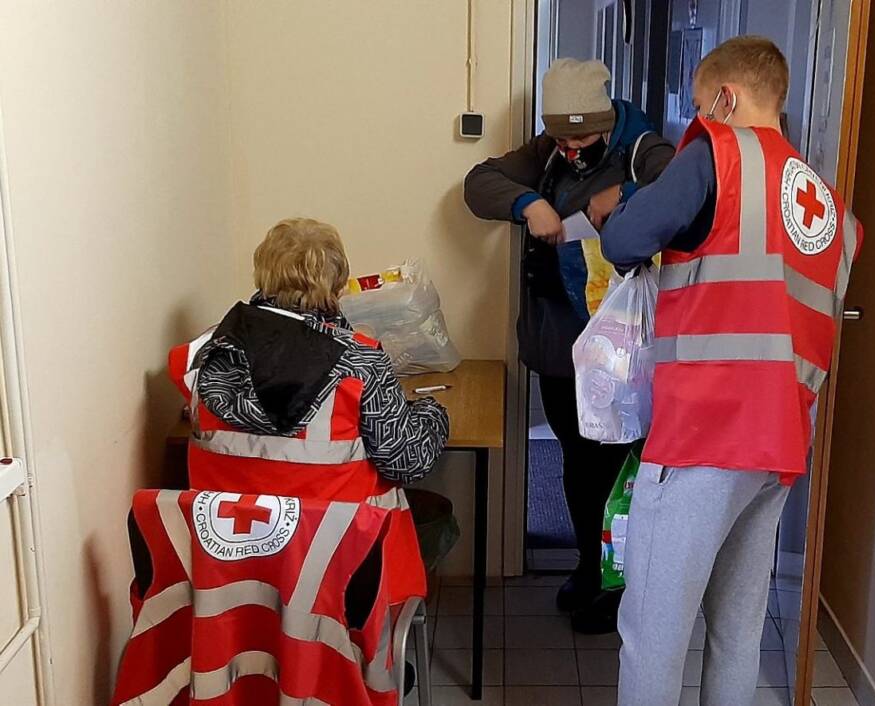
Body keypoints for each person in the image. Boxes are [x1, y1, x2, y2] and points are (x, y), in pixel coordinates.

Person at [599, 37, 863, 705]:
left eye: (698, 104)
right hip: (778, 447)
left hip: (704, 436)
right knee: (737, 631)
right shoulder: (827, 204)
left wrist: (622, 206)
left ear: (726, 97)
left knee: (652, 635)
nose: (698, 117)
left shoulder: (716, 155)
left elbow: (625, 241)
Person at [464, 58, 674, 632]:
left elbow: (689, 188)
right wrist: (528, 203)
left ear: (607, 122)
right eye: (561, 135)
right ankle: (590, 565)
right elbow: (479, 182)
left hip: (619, 350)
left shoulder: (642, 147)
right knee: (577, 466)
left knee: (616, 472)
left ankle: (620, 583)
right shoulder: (547, 152)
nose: (571, 146)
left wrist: (624, 195)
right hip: (560, 347)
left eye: (582, 135)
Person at [168, 217, 450, 607]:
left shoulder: (206, 355)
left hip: (231, 567)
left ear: (263, 274)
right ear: (336, 284)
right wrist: (433, 412)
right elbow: (406, 461)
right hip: (341, 566)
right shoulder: (360, 360)